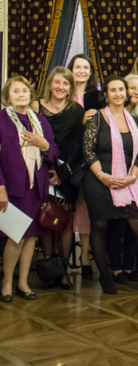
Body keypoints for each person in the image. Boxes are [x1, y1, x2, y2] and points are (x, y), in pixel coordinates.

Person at [82, 75, 138, 295]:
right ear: (106, 95)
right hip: (99, 181)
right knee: (100, 227)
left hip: (128, 181)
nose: (118, 93)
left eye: (121, 89)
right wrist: (102, 176)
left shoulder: (134, 121)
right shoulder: (96, 119)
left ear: (126, 93)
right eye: (113, 90)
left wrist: (133, 176)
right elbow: (88, 151)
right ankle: (106, 279)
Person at [0, 77, 58, 303]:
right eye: (16, 91)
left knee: (31, 236)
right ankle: (6, 283)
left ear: (31, 94)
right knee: (16, 237)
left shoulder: (40, 120)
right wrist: (1, 187)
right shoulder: (2, 119)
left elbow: (53, 152)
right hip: (13, 188)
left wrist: (42, 144)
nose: (22, 94)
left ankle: (23, 283)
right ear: (8, 96)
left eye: (25, 90)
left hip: (37, 188)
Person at [32, 67, 85, 290]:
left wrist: (62, 174)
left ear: (70, 87)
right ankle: (49, 272)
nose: (61, 87)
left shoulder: (76, 111)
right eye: (57, 83)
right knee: (45, 221)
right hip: (41, 169)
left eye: (65, 83)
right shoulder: (36, 106)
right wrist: (47, 171)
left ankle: (63, 272)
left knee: (64, 222)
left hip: (66, 174)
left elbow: (79, 147)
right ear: (50, 85)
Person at [68, 53, 99, 277]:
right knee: (68, 210)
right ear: (71, 69)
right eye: (77, 66)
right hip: (69, 160)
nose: (81, 71)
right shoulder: (62, 95)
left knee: (86, 210)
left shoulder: (95, 97)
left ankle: (86, 257)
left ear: (90, 72)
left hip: (91, 161)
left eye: (85, 67)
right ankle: (63, 258)